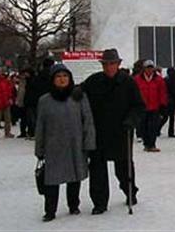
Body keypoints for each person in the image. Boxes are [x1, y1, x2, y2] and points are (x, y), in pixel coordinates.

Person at [81, 49, 145, 215]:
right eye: (106, 64)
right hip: (99, 132)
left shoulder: (128, 82)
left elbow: (138, 106)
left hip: (121, 131)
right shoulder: (94, 81)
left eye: (112, 64)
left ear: (118, 64)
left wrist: (132, 119)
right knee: (97, 168)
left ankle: (130, 191)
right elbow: (80, 91)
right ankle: (100, 202)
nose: (109, 67)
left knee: (123, 167)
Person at [35, 64, 96, 222]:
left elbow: (87, 120)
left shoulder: (79, 97)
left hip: (75, 144)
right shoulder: (44, 100)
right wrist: (39, 148)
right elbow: (40, 126)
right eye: (58, 77)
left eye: (65, 76)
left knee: (74, 177)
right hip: (53, 146)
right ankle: (50, 210)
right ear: (53, 80)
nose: (62, 80)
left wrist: (88, 143)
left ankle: (73, 205)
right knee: (51, 181)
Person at [133, 60, 168, 152]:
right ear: (144, 69)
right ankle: (146, 144)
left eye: (151, 68)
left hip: (154, 107)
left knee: (153, 127)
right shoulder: (137, 79)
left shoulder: (159, 79)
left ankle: (152, 144)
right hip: (142, 107)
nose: (149, 70)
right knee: (143, 127)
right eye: (148, 68)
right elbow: (134, 93)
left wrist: (163, 105)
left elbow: (162, 93)